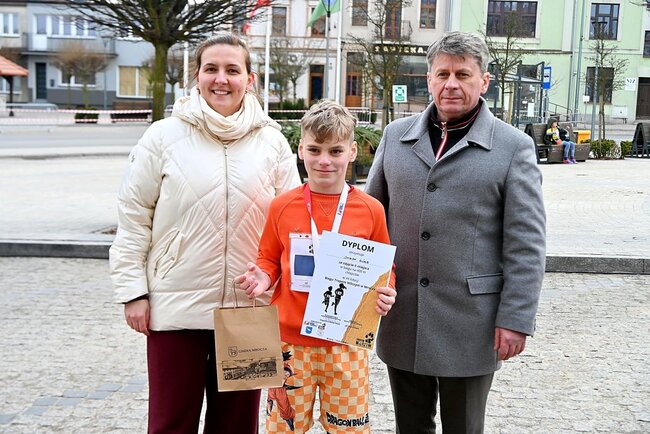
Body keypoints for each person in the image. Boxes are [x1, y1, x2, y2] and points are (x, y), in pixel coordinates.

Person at [109, 33, 301, 434]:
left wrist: (283, 288)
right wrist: (132, 291)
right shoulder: (162, 137)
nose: (221, 79)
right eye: (211, 69)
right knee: (171, 424)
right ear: (196, 76)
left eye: (233, 70)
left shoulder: (272, 142)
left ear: (250, 79)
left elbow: (293, 226)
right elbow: (133, 216)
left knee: (236, 427)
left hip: (248, 310)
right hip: (175, 307)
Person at [365, 31, 546, 434]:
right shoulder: (396, 136)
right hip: (403, 315)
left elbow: (526, 244)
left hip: (471, 322)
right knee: (410, 427)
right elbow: (368, 218)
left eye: (463, 74)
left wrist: (516, 318)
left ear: (484, 81)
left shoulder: (513, 147)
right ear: (428, 79)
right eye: (442, 74)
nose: (451, 84)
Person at [234, 100, 397, 433]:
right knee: (285, 428)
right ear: (300, 150)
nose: (324, 161)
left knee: (349, 430)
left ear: (352, 152)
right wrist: (262, 277)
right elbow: (269, 257)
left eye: (335, 151)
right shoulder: (281, 206)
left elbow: (384, 266)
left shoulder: (371, 209)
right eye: (315, 150)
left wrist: (387, 290)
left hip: (347, 345)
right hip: (289, 345)